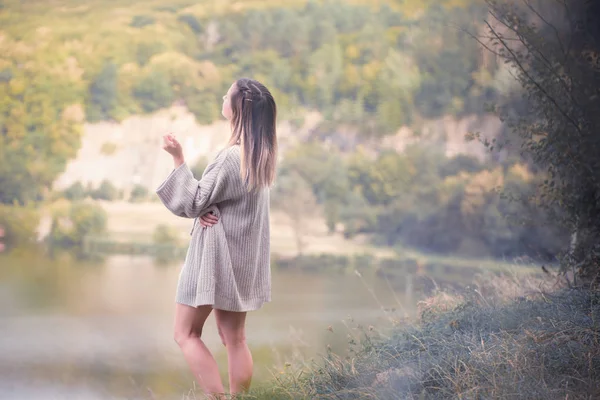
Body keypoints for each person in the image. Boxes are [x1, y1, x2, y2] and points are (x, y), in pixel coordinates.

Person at [156, 78, 277, 398]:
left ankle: (218, 398)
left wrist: (178, 158)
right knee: (234, 339)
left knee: (185, 334)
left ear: (238, 109)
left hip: (218, 255)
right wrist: (207, 208)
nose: (223, 96)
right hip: (244, 255)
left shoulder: (229, 157)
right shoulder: (261, 156)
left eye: (228, 94)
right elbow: (219, 202)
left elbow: (194, 201)